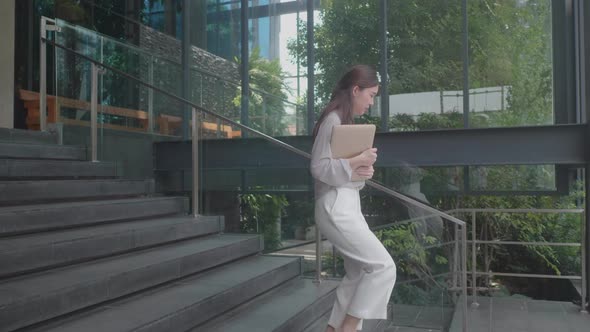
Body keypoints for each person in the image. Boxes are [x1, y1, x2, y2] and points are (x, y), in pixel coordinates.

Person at [310, 65, 396, 332]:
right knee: (383, 266)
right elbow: (319, 168)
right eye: (370, 95)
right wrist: (357, 161)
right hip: (336, 206)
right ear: (356, 90)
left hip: (346, 204)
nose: (371, 103)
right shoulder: (333, 120)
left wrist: (362, 171)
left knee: (359, 272)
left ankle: (335, 329)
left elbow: (344, 171)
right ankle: (348, 328)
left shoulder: (344, 123)